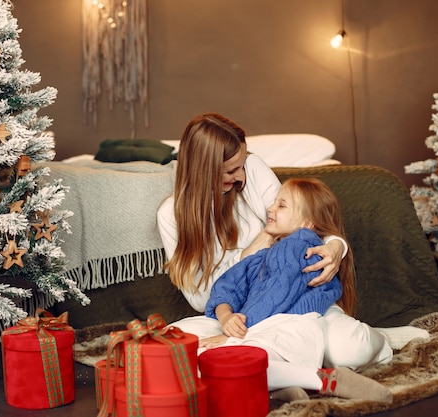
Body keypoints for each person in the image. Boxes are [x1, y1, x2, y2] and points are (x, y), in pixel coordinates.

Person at [156, 113, 394, 401]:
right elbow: (202, 298)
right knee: (167, 352)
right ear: (204, 170)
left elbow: (303, 221)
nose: (241, 176)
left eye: (241, 165)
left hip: (295, 305)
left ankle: (386, 341)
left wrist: (335, 247)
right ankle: (299, 381)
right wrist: (259, 244)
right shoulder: (171, 216)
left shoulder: (253, 170)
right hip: (229, 315)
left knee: (349, 350)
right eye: (231, 171)